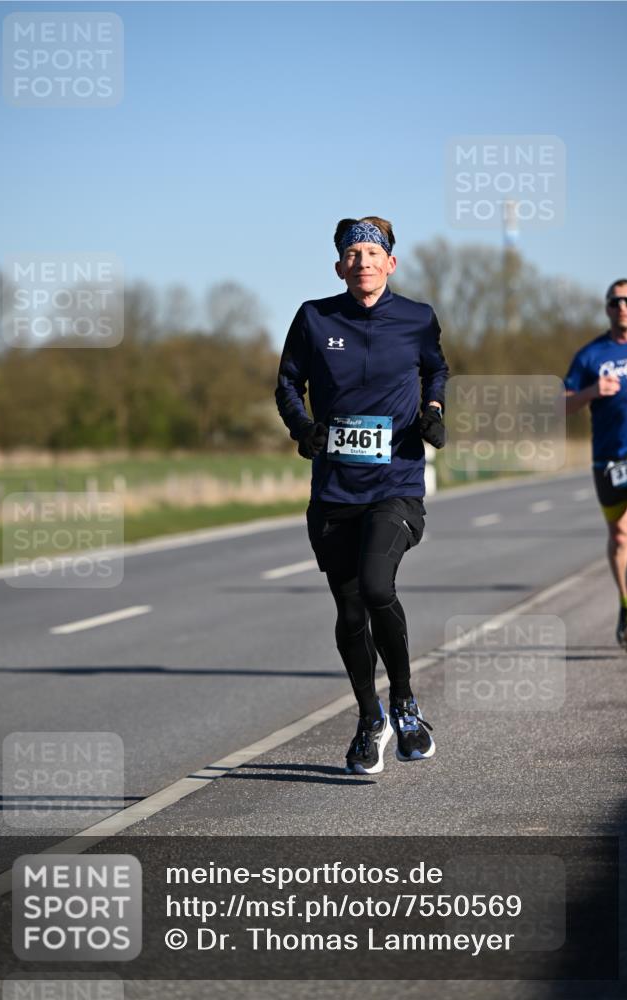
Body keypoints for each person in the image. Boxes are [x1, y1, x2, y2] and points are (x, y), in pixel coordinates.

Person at [275, 216, 448, 774]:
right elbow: (286, 383)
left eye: (373, 253)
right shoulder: (314, 316)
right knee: (349, 608)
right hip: (334, 489)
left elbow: (436, 369)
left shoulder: (417, 319)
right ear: (339, 266)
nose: (363, 262)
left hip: (395, 484)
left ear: (390, 264)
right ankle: (369, 716)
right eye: (353, 255)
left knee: (377, 586)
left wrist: (435, 409)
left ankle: (405, 703)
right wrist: (304, 429)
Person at [564, 279, 627, 650]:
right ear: (607, 308)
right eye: (615, 302)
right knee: (620, 536)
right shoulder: (591, 355)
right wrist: (593, 392)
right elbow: (561, 403)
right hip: (608, 458)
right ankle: (626, 604)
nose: (622, 307)